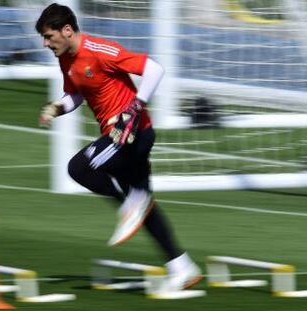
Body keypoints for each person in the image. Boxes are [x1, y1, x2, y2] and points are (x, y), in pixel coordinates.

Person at [35, 3, 202, 290]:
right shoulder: (66, 59)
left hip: (132, 134)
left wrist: (135, 108)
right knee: (145, 207)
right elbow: (75, 94)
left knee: (79, 167)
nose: (45, 43)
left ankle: (131, 204)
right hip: (121, 138)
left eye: (49, 36)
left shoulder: (100, 50)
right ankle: (182, 267)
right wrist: (57, 107)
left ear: (67, 30)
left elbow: (153, 69)